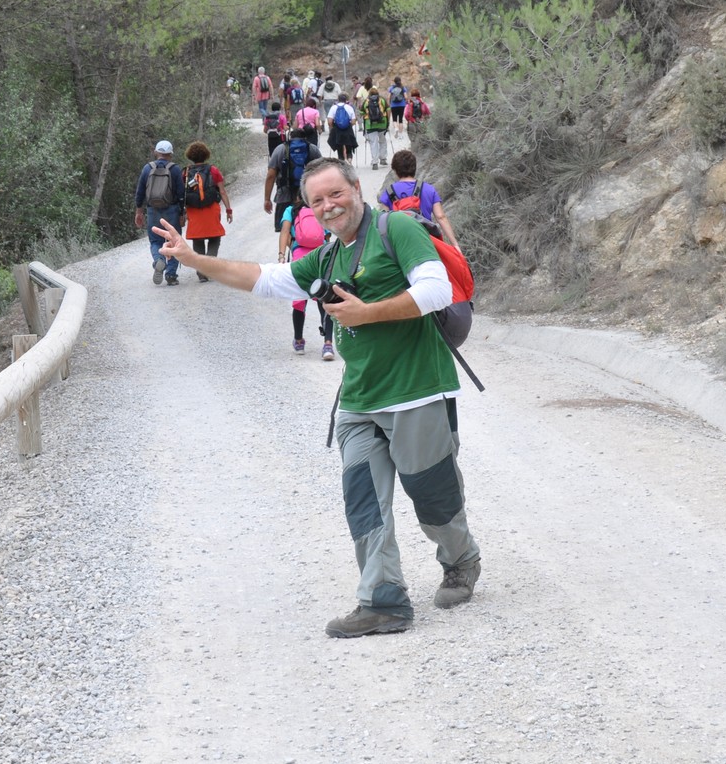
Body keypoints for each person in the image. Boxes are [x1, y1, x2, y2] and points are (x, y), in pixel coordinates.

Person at [152, 158, 483, 637]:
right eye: (317, 201)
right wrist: (195, 259)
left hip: (418, 390)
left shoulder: (397, 229)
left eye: (336, 194)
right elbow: (265, 278)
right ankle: (384, 601)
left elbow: (434, 290)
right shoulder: (327, 256)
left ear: (357, 188)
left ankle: (461, 559)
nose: (329, 206)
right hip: (358, 401)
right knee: (364, 502)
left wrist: (368, 313)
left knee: (433, 497)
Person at [278, 192, 334, 358]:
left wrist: (281, 255)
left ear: (297, 197)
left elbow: (285, 231)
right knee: (324, 298)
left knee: (299, 299)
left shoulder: (291, 210)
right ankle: (328, 344)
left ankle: (299, 341)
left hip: (299, 257)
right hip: (320, 256)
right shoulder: (320, 209)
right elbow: (327, 235)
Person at [377, 150, 460, 248]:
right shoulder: (429, 189)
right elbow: (440, 217)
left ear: (395, 170)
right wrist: (455, 244)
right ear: (414, 168)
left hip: (401, 245)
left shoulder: (389, 192)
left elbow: (382, 223)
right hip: (426, 242)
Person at [134, 140, 186, 285]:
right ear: (170, 154)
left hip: (153, 210)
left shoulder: (147, 168)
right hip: (172, 210)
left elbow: (140, 192)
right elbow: (181, 193)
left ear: (156, 152)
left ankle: (159, 260)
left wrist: (139, 211)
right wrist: (182, 213)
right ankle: (171, 275)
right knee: (174, 241)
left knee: (155, 241)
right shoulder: (175, 169)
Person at [183, 141, 233, 281]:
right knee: (214, 238)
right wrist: (228, 209)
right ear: (206, 155)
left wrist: (182, 213)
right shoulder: (213, 170)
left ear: (190, 156)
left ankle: (201, 271)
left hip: (193, 210)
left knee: (197, 240)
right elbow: (222, 191)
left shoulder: (186, 173)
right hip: (211, 209)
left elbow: (183, 195)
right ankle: (208, 267)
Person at [265, 126, 320, 232]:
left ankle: (290, 241)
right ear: (305, 138)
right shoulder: (312, 148)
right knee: (309, 227)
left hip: (284, 195)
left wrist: (267, 199)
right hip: (307, 195)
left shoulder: (280, 149)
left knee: (284, 229)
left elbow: (270, 176)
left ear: (290, 137)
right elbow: (321, 171)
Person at [361, 86, 391, 170]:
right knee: (382, 141)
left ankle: (375, 162)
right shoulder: (382, 100)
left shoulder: (366, 101)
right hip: (382, 124)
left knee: (373, 143)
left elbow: (361, 112)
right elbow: (388, 109)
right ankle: (383, 158)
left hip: (370, 125)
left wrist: (366, 116)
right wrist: (388, 121)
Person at [325, 92, 359, 163]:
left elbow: (329, 121)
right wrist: (348, 125)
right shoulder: (349, 107)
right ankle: (349, 159)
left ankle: (341, 161)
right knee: (349, 146)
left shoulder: (334, 107)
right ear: (346, 100)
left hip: (337, 129)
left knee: (339, 148)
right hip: (348, 129)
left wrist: (333, 128)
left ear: (338, 99)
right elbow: (353, 121)